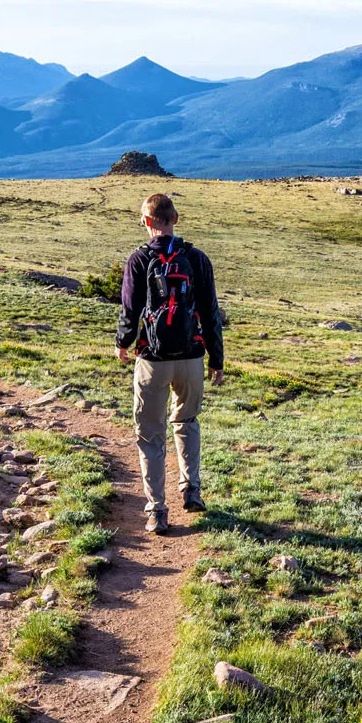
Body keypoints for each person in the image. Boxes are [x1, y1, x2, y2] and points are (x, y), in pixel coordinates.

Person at [115, 192, 224, 534]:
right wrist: (216, 358)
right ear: (175, 219)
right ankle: (191, 488)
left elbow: (130, 309)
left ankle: (157, 510)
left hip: (152, 359)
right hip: (191, 357)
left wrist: (123, 342)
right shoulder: (197, 258)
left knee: (150, 436)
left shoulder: (139, 259)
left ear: (147, 222)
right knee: (187, 421)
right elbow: (210, 312)